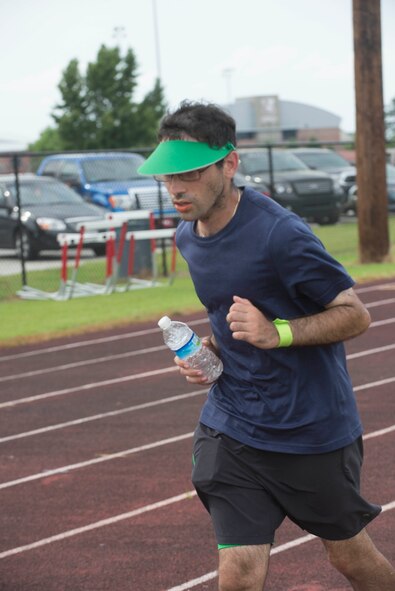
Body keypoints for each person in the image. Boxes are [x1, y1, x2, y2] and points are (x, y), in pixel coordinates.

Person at [138, 101, 395, 591]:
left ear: (228, 164)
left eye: (189, 174)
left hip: (310, 431)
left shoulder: (281, 234)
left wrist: (277, 332)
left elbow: (354, 314)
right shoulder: (187, 236)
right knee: (239, 573)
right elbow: (227, 319)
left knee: (350, 558)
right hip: (232, 426)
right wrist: (209, 350)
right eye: (167, 178)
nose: (175, 189)